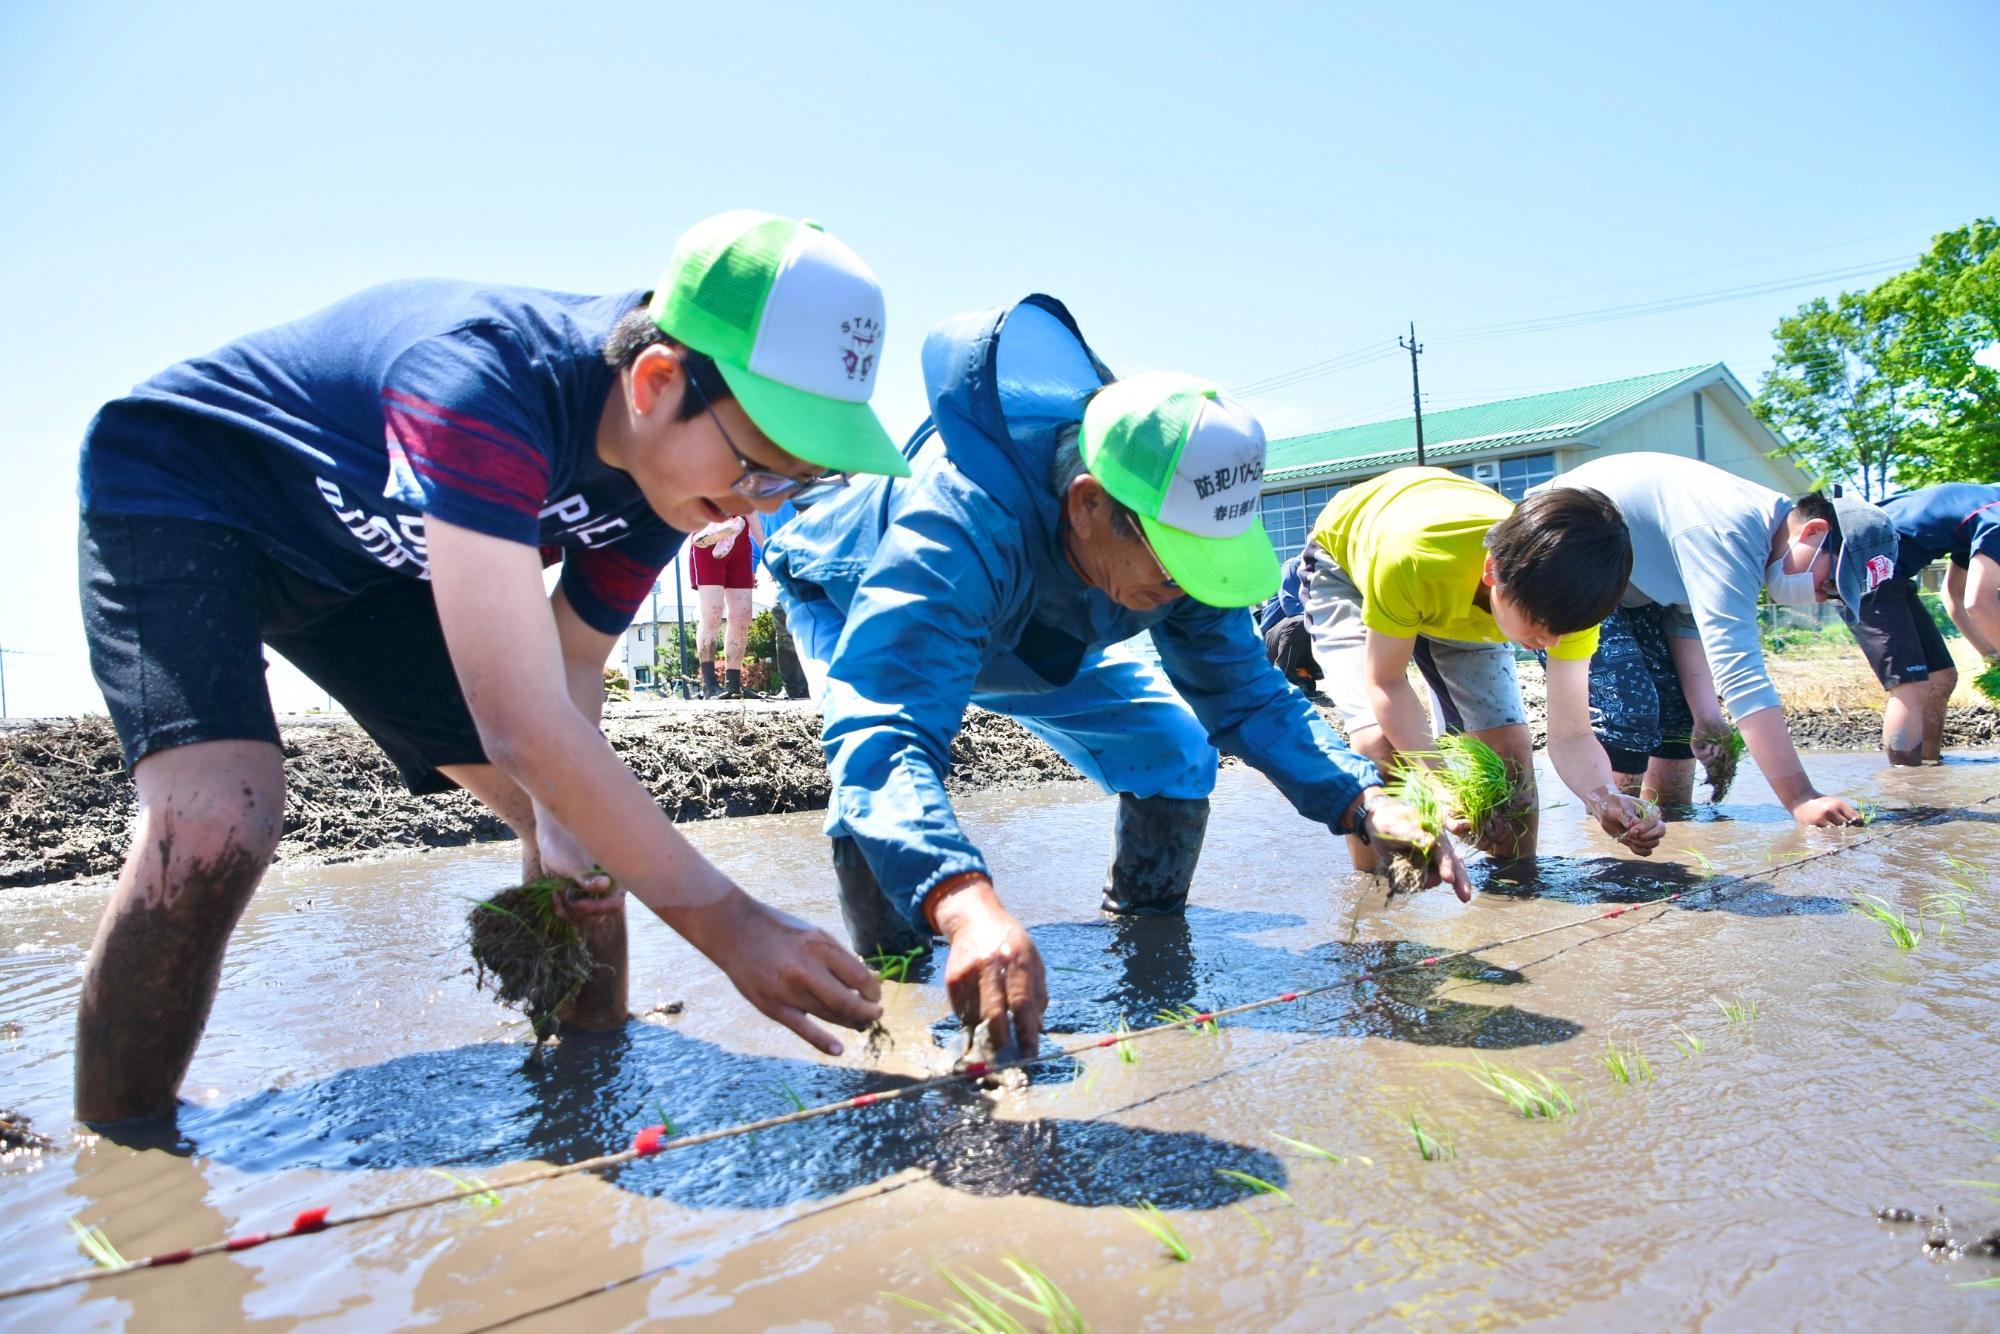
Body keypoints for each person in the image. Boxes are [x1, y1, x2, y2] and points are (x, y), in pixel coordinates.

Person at [72, 209, 907, 1124]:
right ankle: (123, 1146)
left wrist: (566, 824)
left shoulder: (669, 481)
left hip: (370, 571)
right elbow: (519, 719)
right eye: (757, 468)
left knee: (587, 826)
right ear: (656, 381)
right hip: (188, 494)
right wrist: (732, 925)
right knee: (218, 817)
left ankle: (589, 1084)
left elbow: (572, 664)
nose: (762, 504)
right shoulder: (481, 384)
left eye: (796, 481)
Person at [764, 295, 1466, 1058]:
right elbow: (887, 730)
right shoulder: (955, 529)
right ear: (1089, 504)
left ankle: (1148, 946)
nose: (1190, 587)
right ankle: (895, 992)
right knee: (869, 794)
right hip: (855, 599)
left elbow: (1249, 698)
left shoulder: (1170, 546)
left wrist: (1364, 802)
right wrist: (966, 906)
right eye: (1176, 566)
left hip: (1041, 635)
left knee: (1174, 749)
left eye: (1206, 565)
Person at [1297, 467, 1664, 866]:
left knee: (1510, 752)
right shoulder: (1413, 560)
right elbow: (1386, 682)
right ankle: (1377, 889)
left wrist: (1604, 796)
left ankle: (1517, 880)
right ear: (1493, 573)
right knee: (1379, 745)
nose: (1553, 643)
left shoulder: (1569, 604)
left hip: (1461, 591)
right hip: (1349, 563)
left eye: (1564, 631)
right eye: (1541, 626)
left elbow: (1573, 734)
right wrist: (1438, 785)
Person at [1535, 453, 1898, 824]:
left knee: (1679, 719)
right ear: (1814, 531)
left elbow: (1685, 620)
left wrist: (1706, 715)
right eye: (1832, 583)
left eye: (1836, 596)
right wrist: (1801, 797)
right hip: (1558, 557)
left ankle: (1668, 832)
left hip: (1628, 585)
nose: (1822, 596)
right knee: (1630, 710)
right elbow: (1740, 672)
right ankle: (1614, 839)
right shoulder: (1732, 531)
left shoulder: (1754, 539)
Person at [1855, 481, 2000, 762]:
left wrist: (1992, 657)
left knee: (1940, 678)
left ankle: (1928, 771)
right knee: (1911, 685)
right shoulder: (1996, 517)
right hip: (1860, 564)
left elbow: (1954, 596)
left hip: (1890, 572)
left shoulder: (1981, 510)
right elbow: (1979, 603)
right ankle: (1905, 786)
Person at [689, 510, 765, 698]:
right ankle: (709, 685)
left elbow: (752, 512)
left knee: (742, 614)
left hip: (740, 544)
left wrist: (767, 549)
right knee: (713, 612)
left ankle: (733, 684)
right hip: (708, 539)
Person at [1256, 553, 1323, 694]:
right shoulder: (1293, 566)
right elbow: (1291, 607)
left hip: (1297, 642)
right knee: (1301, 621)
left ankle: (1303, 672)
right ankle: (1283, 676)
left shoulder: (1325, 574)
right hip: (1272, 641)